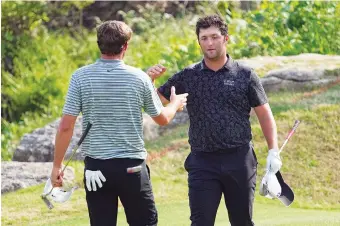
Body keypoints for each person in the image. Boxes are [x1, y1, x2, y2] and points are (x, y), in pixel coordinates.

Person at [146, 15, 282, 226]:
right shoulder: (188, 75)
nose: (209, 43)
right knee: (200, 222)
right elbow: (157, 101)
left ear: (225, 39)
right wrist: (149, 81)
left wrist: (273, 152)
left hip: (239, 159)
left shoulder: (245, 74)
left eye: (214, 37)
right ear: (198, 41)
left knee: (242, 222)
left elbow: (264, 114)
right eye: (204, 38)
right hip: (202, 161)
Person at [49, 20, 188, 226]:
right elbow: (162, 118)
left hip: (96, 170)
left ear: (99, 45)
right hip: (132, 169)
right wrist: (175, 103)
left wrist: (56, 166)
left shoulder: (79, 77)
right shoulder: (139, 78)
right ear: (125, 46)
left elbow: (66, 127)